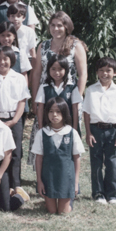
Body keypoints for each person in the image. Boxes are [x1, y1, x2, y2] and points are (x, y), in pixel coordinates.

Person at [29, 11, 88, 167]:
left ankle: (66, 170)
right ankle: (45, 172)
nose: (56, 29)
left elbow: (82, 74)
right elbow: (36, 74)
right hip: (46, 96)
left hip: (68, 98)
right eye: (53, 25)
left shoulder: (76, 45)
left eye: (60, 25)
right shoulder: (43, 45)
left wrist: (77, 99)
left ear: (67, 26)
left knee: (68, 134)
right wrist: (35, 99)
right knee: (46, 133)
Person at [0, 46, 31, 200]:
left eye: (5, 59)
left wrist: (14, 121)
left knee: (16, 152)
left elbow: (22, 101)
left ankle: (16, 185)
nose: (2, 62)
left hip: (14, 119)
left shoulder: (18, 78)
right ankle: (1, 184)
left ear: (12, 60)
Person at [83, 57, 116, 205]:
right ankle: (98, 194)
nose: (104, 74)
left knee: (111, 162)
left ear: (115, 72)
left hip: (112, 131)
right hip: (96, 130)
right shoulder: (91, 90)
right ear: (97, 72)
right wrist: (88, 133)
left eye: (108, 70)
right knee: (96, 162)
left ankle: (112, 195)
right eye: (101, 71)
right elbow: (87, 113)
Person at [32, 97, 84, 214]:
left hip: (66, 178)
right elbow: (39, 158)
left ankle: (68, 200)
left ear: (64, 113)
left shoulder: (71, 132)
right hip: (48, 178)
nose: (54, 115)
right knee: (51, 211)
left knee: (63, 212)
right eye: (51, 111)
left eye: (58, 111)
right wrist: (39, 181)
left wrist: (75, 183)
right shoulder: (42, 133)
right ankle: (47, 201)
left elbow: (77, 158)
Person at [35, 55, 83, 132]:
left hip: (68, 128)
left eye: (60, 69)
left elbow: (75, 109)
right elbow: (40, 109)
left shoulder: (72, 87)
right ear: (48, 70)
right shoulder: (44, 87)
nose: (56, 72)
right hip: (49, 129)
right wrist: (41, 129)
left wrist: (74, 129)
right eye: (53, 69)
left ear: (66, 70)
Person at [7, 3, 37, 71]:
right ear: (8, 17)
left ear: (23, 18)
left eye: (18, 16)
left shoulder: (29, 31)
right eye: (12, 16)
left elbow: (32, 52)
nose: (15, 19)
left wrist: (33, 71)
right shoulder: (5, 31)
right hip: (8, 63)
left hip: (26, 64)